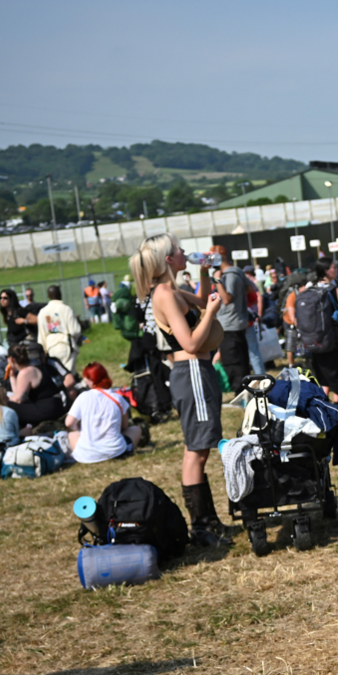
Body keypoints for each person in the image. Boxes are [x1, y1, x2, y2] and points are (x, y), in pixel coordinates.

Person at [132, 233, 232, 546]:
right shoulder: (164, 294)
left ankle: (209, 522)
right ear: (168, 259)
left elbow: (202, 302)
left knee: (198, 449)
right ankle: (201, 526)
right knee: (197, 451)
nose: (184, 251)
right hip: (191, 372)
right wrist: (213, 315)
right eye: (179, 249)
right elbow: (189, 342)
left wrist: (203, 273)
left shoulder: (171, 289)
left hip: (194, 372)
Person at [66, 363, 143, 463]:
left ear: (90, 380)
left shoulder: (83, 397)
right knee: (136, 429)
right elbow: (125, 426)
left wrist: (80, 431)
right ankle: (127, 449)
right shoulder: (117, 398)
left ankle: (83, 453)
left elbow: (69, 423)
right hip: (115, 451)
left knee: (72, 435)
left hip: (87, 456)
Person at [298, 257, 338, 404]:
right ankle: (337, 402)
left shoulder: (309, 289)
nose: (336, 269)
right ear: (326, 270)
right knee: (337, 370)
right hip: (333, 338)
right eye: (333, 267)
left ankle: (324, 398)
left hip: (314, 338)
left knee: (322, 370)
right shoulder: (334, 290)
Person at [211, 244, 250, 393]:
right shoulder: (238, 272)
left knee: (233, 364)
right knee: (240, 362)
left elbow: (227, 299)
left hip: (230, 324)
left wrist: (217, 281)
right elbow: (250, 289)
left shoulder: (230, 275)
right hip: (237, 322)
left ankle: (241, 395)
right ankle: (244, 394)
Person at [5, 342, 66, 428]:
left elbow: (19, 399)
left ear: (11, 359)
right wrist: (12, 376)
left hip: (47, 409)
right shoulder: (35, 364)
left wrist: (4, 398)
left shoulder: (25, 372)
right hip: (55, 405)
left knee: (7, 405)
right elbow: (18, 393)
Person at [37, 285, 81, 389]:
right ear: (60, 294)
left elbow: (41, 335)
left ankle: (61, 395)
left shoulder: (43, 312)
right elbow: (75, 330)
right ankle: (69, 396)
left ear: (49, 296)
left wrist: (44, 351)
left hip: (50, 345)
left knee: (57, 374)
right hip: (65, 343)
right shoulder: (66, 309)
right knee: (69, 375)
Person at [243, 264, 267, 376]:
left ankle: (244, 379)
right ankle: (261, 377)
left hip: (228, 324)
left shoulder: (221, 282)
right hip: (246, 321)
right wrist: (257, 314)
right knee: (253, 351)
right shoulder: (248, 283)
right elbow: (255, 299)